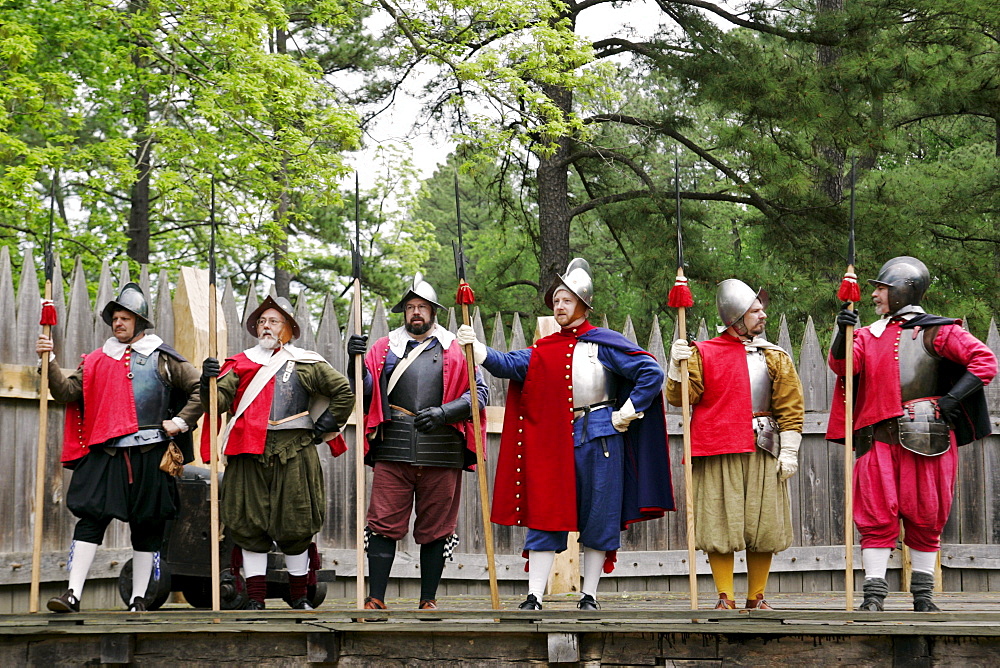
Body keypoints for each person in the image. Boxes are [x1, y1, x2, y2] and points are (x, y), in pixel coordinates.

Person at [457, 258, 673, 611]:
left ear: (583, 305)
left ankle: (589, 596)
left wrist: (628, 412)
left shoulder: (606, 344)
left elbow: (650, 372)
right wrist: (479, 350)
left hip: (604, 436)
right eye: (556, 300)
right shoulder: (544, 350)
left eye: (566, 300)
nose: (559, 305)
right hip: (557, 442)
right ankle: (534, 596)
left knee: (599, 515)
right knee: (546, 512)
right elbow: (509, 364)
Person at [827, 256, 996, 612]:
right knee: (874, 517)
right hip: (877, 439)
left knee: (926, 515)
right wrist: (840, 334)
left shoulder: (939, 330)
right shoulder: (865, 335)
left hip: (928, 438)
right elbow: (843, 366)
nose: (874, 294)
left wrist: (952, 399)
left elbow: (984, 361)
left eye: (882, 288)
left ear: (904, 290)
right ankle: (873, 597)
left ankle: (924, 597)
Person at [37, 283, 202, 613]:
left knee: (148, 527)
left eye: (125, 318)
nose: (118, 323)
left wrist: (180, 422)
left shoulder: (164, 358)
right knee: (90, 519)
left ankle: (139, 599)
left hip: (152, 454)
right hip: (107, 454)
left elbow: (201, 388)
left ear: (139, 322)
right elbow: (67, 393)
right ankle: (72, 594)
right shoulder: (97, 359)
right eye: (115, 318)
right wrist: (49, 360)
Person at [200, 295, 354, 610]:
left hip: (295, 452)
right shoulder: (238, 364)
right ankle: (255, 599)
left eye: (274, 321)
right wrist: (208, 382)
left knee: (297, 523)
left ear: (287, 328)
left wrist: (322, 427)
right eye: (262, 321)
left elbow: (343, 392)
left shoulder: (306, 362)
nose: (266, 326)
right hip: (247, 453)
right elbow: (215, 405)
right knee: (247, 524)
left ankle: (298, 597)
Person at [348, 274, 487, 613]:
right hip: (393, 446)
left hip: (442, 447)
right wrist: (352, 361)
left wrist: (443, 412)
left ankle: (428, 600)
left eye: (421, 307)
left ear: (433, 311)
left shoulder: (457, 345)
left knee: (437, 527)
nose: (415, 313)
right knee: (382, 522)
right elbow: (366, 390)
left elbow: (479, 394)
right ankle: (375, 598)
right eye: (410, 307)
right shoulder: (383, 347)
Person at [666, 279, 804, 610]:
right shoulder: (703, 353)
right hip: (717, 447)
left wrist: (789, 450)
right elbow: (680, 399)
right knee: (719, 522)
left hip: (762, 445)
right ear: (736, 317)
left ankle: (756, 597)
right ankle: (724, 598)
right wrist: (675, 367)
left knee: (764, 523)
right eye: (755, 310)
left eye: (762, 309)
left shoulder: (775, 356)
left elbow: (790, 406)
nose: (763, 315)